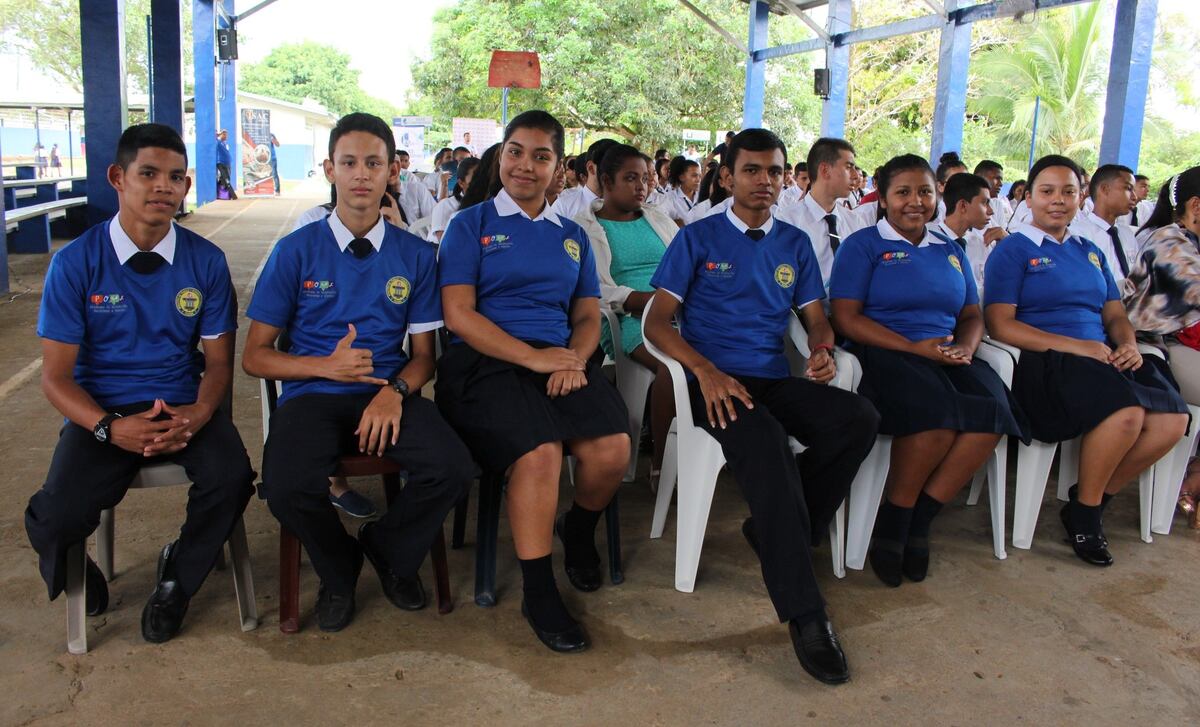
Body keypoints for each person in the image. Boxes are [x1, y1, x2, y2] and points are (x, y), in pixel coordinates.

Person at [644, 128, 879, 685]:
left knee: (858, 419)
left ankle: (781, 530)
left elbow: (815, 319)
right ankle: (806, 613)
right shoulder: (698, 237)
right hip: (712, 383)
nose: (765, 181)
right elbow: (656, 323)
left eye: (774, 171)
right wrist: (705, 371)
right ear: (727, 177)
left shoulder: (794, 243)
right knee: (768, 444)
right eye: (751, 170)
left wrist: (821, 350)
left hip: (771, 378)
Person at [244, 113, 475, 633]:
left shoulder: (416, 255)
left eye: (374, 163)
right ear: (330, 170)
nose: (361, 175)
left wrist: (395, 391)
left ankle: (387, 548)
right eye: (348, 163)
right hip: (311, 396)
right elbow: (255, 356)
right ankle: (338, 568)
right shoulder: (296, 250)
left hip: (385, 393)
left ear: (393, 171)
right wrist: (323, 366)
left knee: (454, 468)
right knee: (284, 486)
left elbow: (424, 356)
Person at [25, 123, 255, 643]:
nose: (163, 187)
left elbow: (218, 364)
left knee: (233, 478)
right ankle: (73, 565)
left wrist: (198, 413)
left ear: (186, 186)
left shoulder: (206, 261)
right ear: (117, 177)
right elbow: (56, 378)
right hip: (101, 410)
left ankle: (177, 579)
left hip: (181, 405)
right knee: (57, 516)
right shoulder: (75, 263)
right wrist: (109, 427)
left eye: (175, 177)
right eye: (148, 173)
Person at [437, 110, 630, 653]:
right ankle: (539, 591)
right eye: (516, 152)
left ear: (558, 168)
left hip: (560, 360)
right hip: (484, 364)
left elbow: (587, 315)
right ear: (501, 156)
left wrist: (573, 360)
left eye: (541, 156)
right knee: (540, 452)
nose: (525, 165)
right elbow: (458, 315)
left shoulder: (572, 236)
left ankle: (579, 530)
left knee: (613, 448)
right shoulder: (469, 225)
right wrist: (532, 358)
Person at [829, 154, 1027, 586]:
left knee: (992, 414)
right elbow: (845, 317)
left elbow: (971, 314)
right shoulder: (863, 245)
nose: (915, 201)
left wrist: (966, 348)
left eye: (924, 191)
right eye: (903, 192)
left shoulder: (949, 249)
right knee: (935, 418)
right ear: (883, 199)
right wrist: (911, 347)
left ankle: (919, 517)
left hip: (945, 353)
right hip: (886, 352)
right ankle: (897, 516)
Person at [984, 154, 1189, 566]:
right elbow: (1000, 325)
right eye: (1047, 191)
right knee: (1127, 414)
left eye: (1068, 192)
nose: (1058, 200)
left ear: (1082, 198)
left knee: (1172, 420)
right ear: (1029, 198)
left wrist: (1128, 344)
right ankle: (1088, 517)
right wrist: (1076, 347)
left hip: (1102, 355)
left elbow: (1114, 314)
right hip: (1048, 361)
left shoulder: (1089, 250)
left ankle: (1090, 498)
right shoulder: (1013, 250)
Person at [573, 143, 679, 486]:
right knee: (671, 368)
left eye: (645, 178)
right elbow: (592, 288)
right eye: (631, 178)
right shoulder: (583, 227)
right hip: (625, 318)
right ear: (607, 180)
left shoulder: (657, 218)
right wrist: (640, 299)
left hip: (675, 310)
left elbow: (684, 263)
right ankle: (663, 464)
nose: (641, 186)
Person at [1124, 167, 1200, 527]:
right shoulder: (1170, 241)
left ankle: (1193, 478)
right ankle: (1193, 480)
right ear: (1196, 206)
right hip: (1154, 348)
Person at [776, 137, 872, 287]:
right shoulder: (787, 222)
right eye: (848, 167)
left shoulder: (856, 222)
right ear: (825, 170)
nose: (855, 176)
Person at [1068, 164, 1139, 284]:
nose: (1134, 197)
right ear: (1105, 189)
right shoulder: (1078, 235)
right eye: (1128, 188)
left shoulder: (1127, 234)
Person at [930, 172, 997, 292]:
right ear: (963, 206)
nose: (991, 211)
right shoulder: (930, 242)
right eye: (984, 203)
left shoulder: (983, 243)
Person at [551, 138, 618, 221]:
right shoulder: (564, 206)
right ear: (591, 168)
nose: (618, 173)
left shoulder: (627, 207)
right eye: (612, 167)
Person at [430, 156, 481, 243]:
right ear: (461, 183)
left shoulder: (488, 205)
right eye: (476, 180)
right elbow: (445, 245)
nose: (482, 184)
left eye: (485, 179)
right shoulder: (445, 206)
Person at [663, 156, 701, 226]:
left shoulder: (703, 196)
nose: (698, 179)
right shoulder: (669, 198)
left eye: (699, 176)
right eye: (694, 175)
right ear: (682, 177)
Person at [974, 160, 1011, 230]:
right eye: (996, 178)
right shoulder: (969, 204)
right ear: (979, 178)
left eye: (1001, 180)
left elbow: (1002, 231)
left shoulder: (997, 204)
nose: (1001, 184)